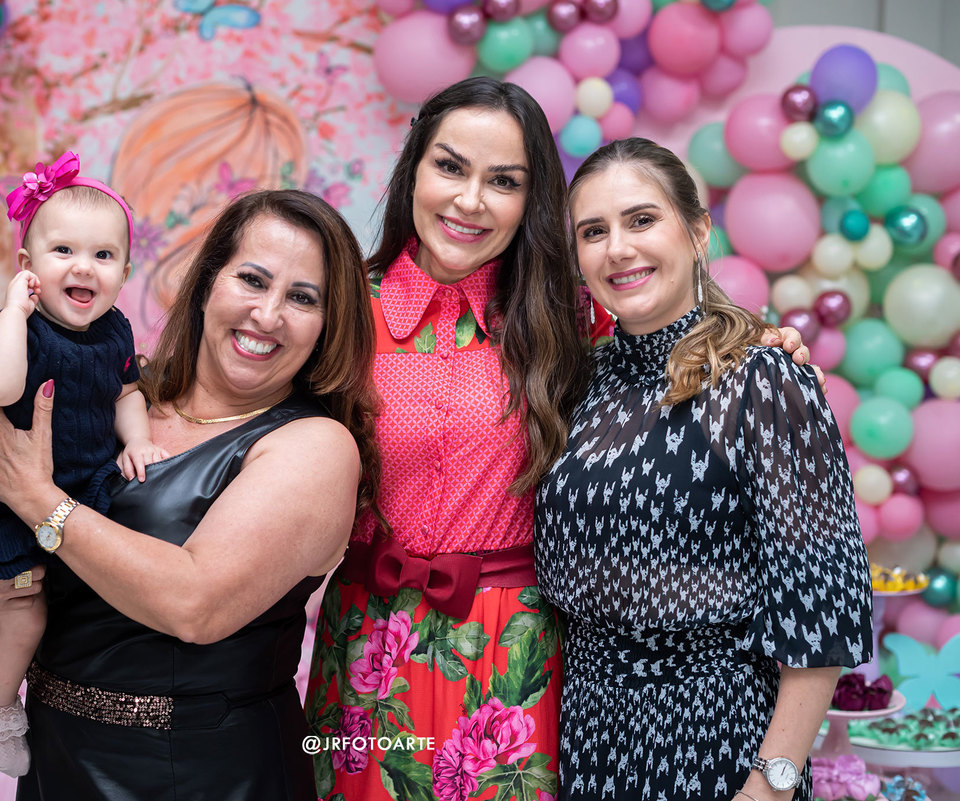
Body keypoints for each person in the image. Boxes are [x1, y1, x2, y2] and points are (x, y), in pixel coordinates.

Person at [303, 79, 817, 800]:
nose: (470, 200)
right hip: (367, 648)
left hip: (512, 656)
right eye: (449, 167)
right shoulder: (341, 308)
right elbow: (235, 387)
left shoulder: (569, 317)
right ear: (412, 170)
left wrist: (757, 341)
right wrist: (144, 396)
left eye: (504, 181)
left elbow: (666, 331)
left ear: (531, 199)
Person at [0, 188, 378, 800]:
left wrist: (33, 497)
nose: (268, 314)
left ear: (328, 326)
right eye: (253, 280)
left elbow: (195, 605)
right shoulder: (119, 401)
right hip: (56, 758)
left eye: (302, 298)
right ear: (207, 284)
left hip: (205, 774)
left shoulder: (315, 447)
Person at [534, 137, 873, 801]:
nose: (618, 248)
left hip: (719, 740)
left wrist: (771, 784)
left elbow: (822, 604)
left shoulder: (765, 378)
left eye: (641, 219)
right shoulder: (581, 380)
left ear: (697, 231)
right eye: (593, 231)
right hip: (590, 737)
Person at [0, 151, 167, 777]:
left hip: (74, 485)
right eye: (63, 251)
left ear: (125, 272)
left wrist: (136, 439)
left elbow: (127, 392)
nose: (83, 266)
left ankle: (34, 684)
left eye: (103, 255)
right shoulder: (18, 328)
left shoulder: (116, 331)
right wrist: (15, 314)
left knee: (86, 597)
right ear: (28, 267)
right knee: (24, 615)